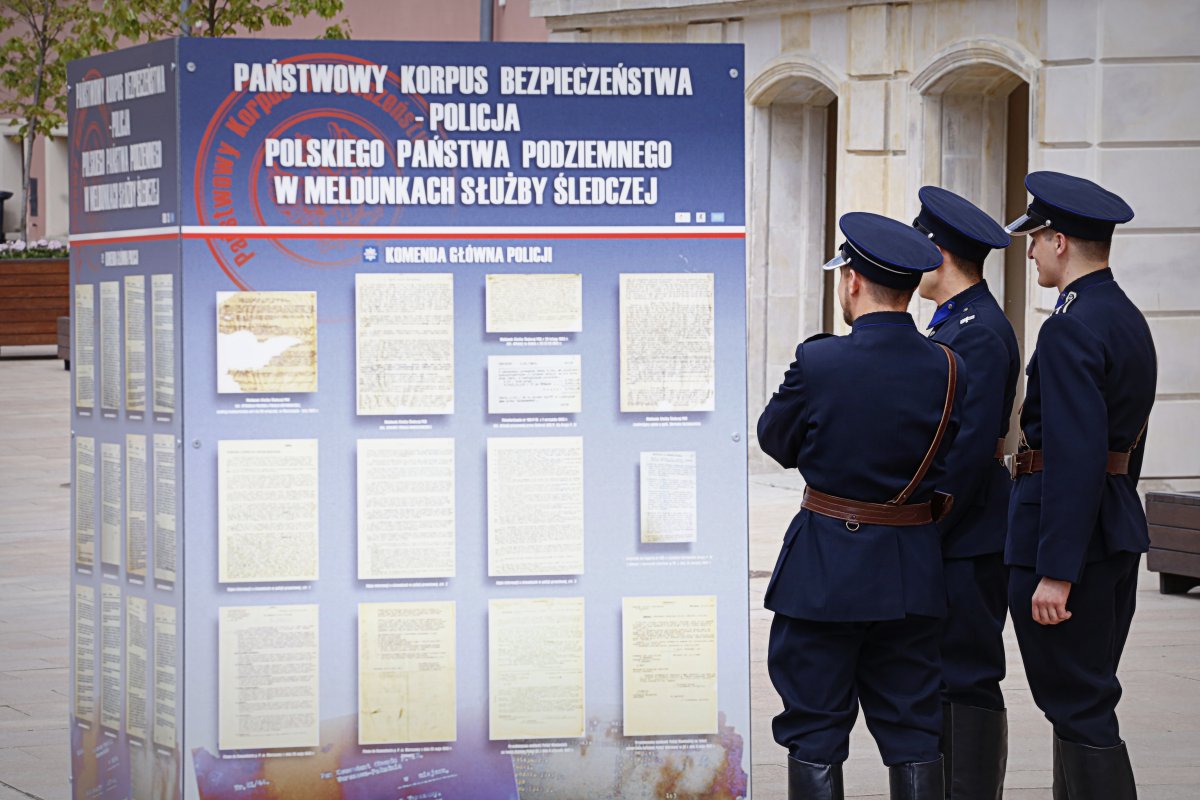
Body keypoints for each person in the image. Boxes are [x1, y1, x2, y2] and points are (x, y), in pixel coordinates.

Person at [759, 211, 967, 800]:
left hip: (824, 569)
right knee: (913, 731)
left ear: (851, 281)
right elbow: (952, 458)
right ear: (909, 289)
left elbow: (776, 440)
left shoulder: (820, 361)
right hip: (909, 571)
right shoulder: (949, 366)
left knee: (815, 727)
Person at [1004, 171, 1157, 799]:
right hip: (1112, 527)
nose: (1031, 251)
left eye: (1035, 239)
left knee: (1078, 705)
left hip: (1072, 545)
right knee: (1085, 699)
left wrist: (1057, 569)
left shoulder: (1070, 326)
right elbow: (1125, 448)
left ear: (1059, 241)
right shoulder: (1124, 317)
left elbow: (1074, 452)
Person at [913, 186, 1019, 800]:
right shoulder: (958, 320)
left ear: (937, 253)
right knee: (945, 677)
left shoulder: (978, 330)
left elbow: (969, 449)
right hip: (959, 533)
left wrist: (932, 521)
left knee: (969, 676)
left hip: (969, 535)